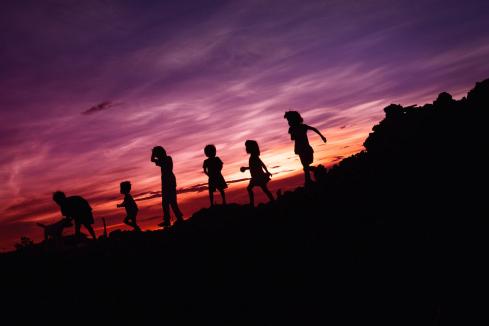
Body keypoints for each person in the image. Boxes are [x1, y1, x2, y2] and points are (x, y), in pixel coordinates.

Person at [284, 111, 327, 185]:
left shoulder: (302, 126)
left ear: (294, 119)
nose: (288, 122)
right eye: (288, 120)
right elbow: (293, 138)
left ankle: (313, 173)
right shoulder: (293, 129)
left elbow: (313, 129)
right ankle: (308, 181)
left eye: (289, 120)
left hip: (305, 148)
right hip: (301, 149)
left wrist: (322, 136)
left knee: (307, 165)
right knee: (305, 166)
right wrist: (293, 133)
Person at [151, 146, 184, 228]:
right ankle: (173, 219)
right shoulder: (167, 158)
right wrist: (153, 152)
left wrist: (153, 153)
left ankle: (173, 219)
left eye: (156, 154)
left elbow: (152, 159)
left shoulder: (165, 159)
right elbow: (152, 160)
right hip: (168, 182)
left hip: (168, 182)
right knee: (169, 202)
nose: (156, 156)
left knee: (169, 202)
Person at [240, 140, 274, 207]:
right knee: (264, 190)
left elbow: (261, 164)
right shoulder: (253, 156)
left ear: (250, 148)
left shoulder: (254, 156)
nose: (246, 149)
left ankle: (252, 204)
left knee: (250, 189)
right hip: (257, 176)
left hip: (258, 176)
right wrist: (246, 168)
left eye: (247, 147)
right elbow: (253, 167)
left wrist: (267, 171)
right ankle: (272, 200)